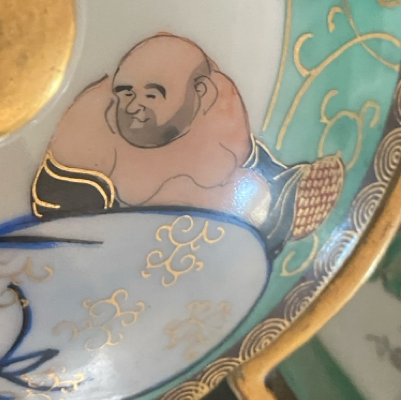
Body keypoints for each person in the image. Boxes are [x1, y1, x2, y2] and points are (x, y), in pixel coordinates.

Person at [32, 34, 345, 255]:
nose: (133, 106)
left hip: (205, 221)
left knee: (249, 182)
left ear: (202, 92)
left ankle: (282, 200)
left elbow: (244, 162)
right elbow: (57, 209)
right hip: (119, 231)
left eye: (151, 95)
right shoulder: (89, 123)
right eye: (126, 93)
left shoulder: (221, 106)